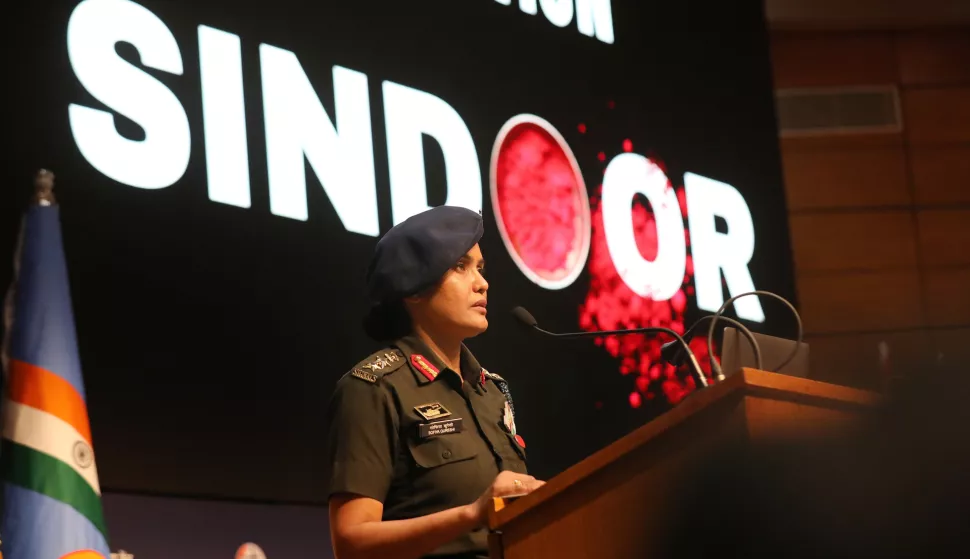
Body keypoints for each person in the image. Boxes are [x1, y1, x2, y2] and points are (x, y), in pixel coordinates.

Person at [324, 205, 543, 559]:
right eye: (461, 266)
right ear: (413, 289)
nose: (482, 282)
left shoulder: (491, 390)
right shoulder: (372, 389)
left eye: (480, 268)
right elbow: (351, 544)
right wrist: (473, 514)